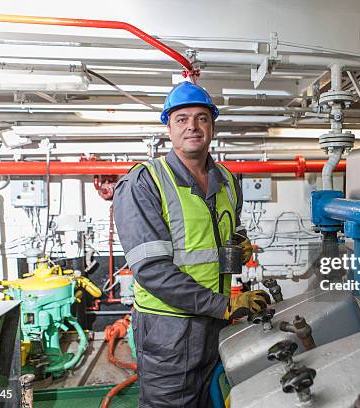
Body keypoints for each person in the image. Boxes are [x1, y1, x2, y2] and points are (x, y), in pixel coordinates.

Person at [113, 81, 270, 408]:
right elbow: (152, 271)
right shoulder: (145, 182)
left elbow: (228, 233)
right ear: (168, 127)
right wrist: (225, 305)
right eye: (182, 119)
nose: (192, 127)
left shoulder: (227, 179)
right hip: (170, 332)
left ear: (212, 125)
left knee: (216, 399)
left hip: (216, 326)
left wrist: (238, 247)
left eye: (201, 118)